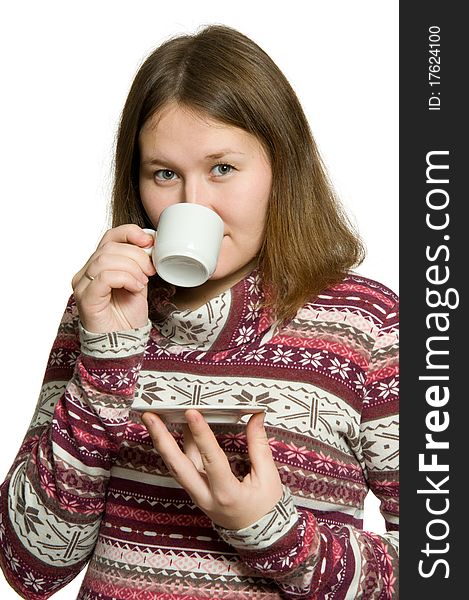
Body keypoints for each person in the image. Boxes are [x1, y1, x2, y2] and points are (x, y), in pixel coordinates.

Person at [0, 24, 399, 599]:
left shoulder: (371, 323)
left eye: (222, 169)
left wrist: (277, 534)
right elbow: (30, 568)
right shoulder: (102, 309)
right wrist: (105, 368)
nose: (192, 205)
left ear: (280, 169)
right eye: (165, 174)